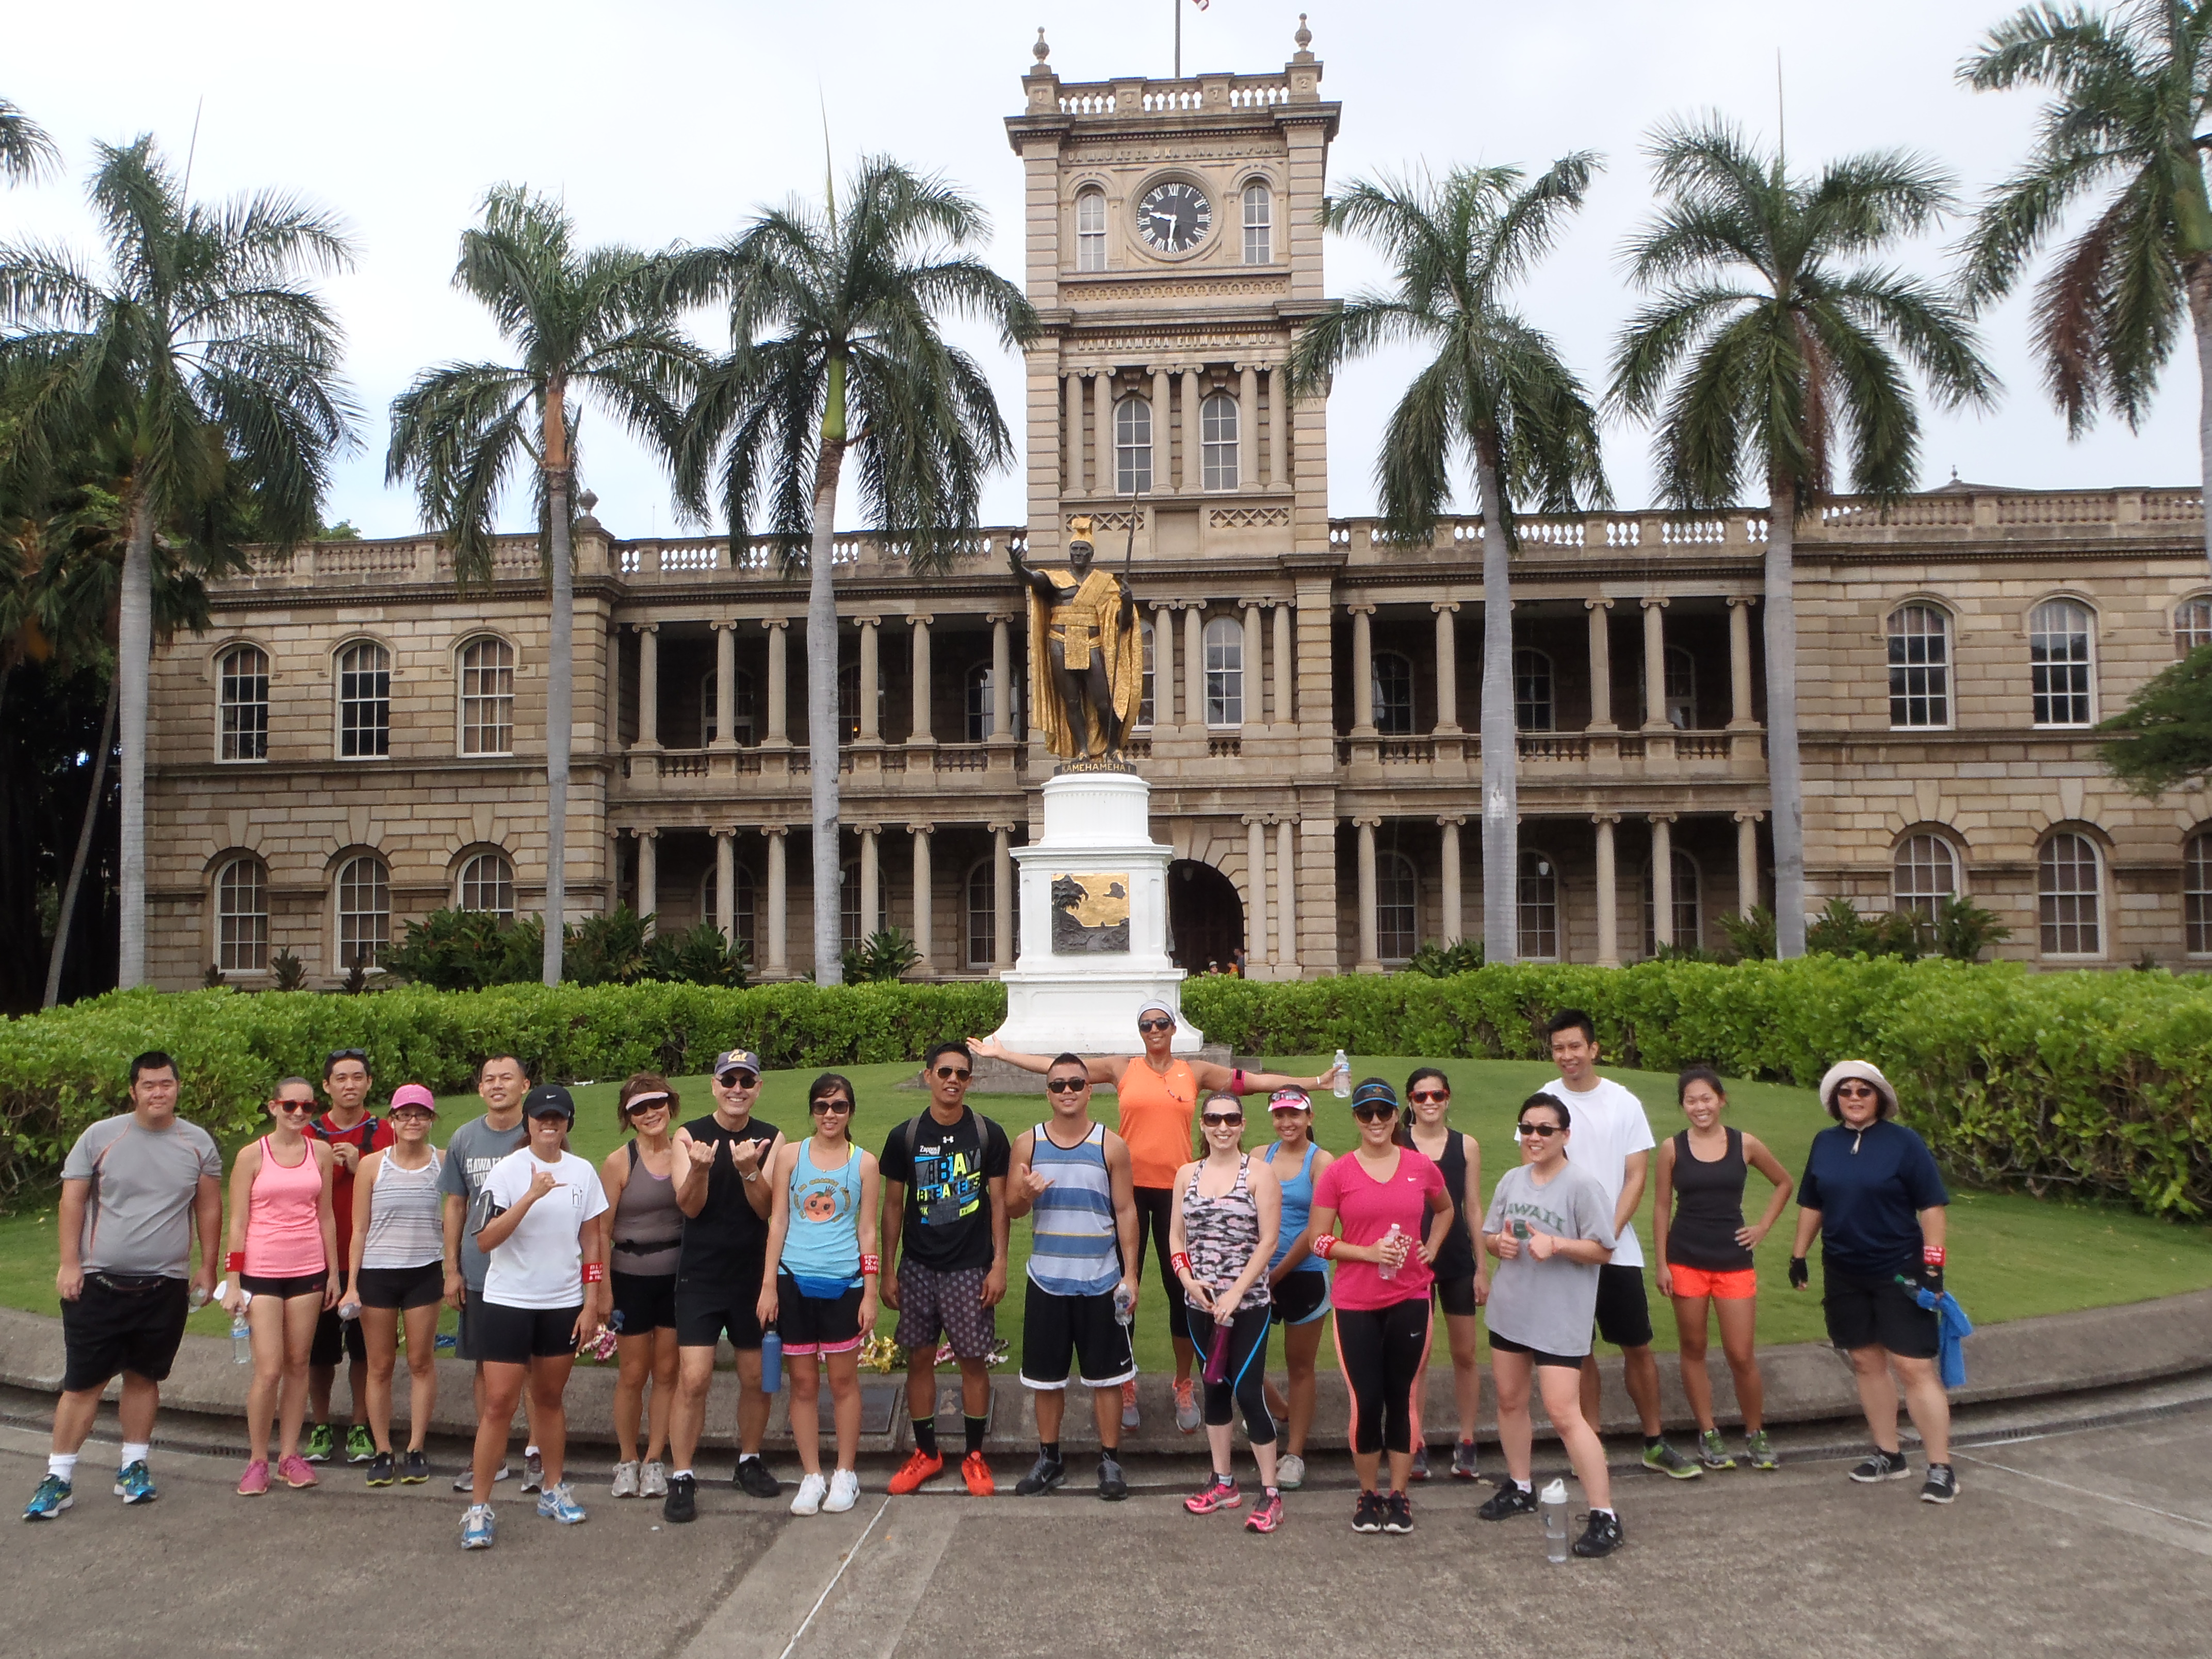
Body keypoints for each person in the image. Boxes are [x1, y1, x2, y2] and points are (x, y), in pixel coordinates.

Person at [972, 1007, 1332, 1433]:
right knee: (1124, 1288)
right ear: (1140, 1031)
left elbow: (1250, 1083)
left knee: (1183, 1290)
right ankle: (1126, 1382)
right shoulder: (1122, 1067)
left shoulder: (1192, 1070)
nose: (1155, 1030)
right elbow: (1059, 1070)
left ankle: (1184, 1381)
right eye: (1147, 1025)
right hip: (1125, 1189)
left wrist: (1313, 1083)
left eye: (1162, 1023)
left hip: (1178, 1192)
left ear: (1173, 1029)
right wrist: (1003, 1054)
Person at [25, 1051, 222, 1521]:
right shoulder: (101, 1137)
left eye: (167, 1084)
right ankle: (59, 1477)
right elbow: (72, 1201)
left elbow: (209, 1208)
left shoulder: (197, 1143)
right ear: (133, 1090)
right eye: (149, 1085)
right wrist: (70, 1263)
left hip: (165, 1286)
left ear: (178, 1087)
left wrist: (208, 1268)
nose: (159, 1092)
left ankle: (133, 1467)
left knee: (143, 1377)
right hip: (99, 1283)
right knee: (83, 1384)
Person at [1537, 1009, 1698, 1479]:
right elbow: (1539, 1167)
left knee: (1637, 1346)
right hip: (1564, 1251)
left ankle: (1654, 1441)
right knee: (1579, 1351)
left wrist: (1605, 1232)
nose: (1567, 1056)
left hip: (1617, 1248)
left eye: (1575, 1046)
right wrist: (1571, 1238)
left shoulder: (1623, 1102)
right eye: (1558, 1048)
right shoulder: (1545, 1100)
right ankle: (1592, 1446)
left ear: (1594, 1049)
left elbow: (1637, 1175)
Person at [1790, 1060, 1958, 1504]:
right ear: (1835, 1100)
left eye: (1864, 1091)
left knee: (1914, 1366)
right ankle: (1889, 1454)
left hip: (1899, 1269)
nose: (1854, 1098)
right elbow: (1812, 1202)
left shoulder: (1904, 1144)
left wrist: (1934, 1266)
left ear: (1879, 1097)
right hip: (1844, 1268)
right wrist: (1798, 1255)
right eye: (1846, 1092)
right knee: (1865, 1360)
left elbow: (1933, 1207)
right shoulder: (1825, 1144)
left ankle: (1941, 1466)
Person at [460, 1083, 609, 1549]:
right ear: (528, 1122)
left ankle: (552, 1488)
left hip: (562, 1302)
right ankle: (479, 1508)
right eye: (541, 1117)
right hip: (509, 1301)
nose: (550, 1124)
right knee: (499, 1403)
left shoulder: (583, 1172)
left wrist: (591, 1302)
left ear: (568, 1123)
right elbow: (484, 1240)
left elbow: (592, 1243)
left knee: (549, 1398)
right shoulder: (507, 1172)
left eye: (558, 1118)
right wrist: (528, 1197)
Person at [1476, 1094, 1625, 1558]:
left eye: (1545, 1129)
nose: (1535, 1138)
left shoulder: (1582, 1185)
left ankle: (1605, 1514)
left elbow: (1604, 1249)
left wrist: (1558, 1245)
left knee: (1564, 1414)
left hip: (1560, 1316)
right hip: (1512, 1309)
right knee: (1509, 1400)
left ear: (1565, 1135)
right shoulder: (1511, 1179)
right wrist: (1496, 1245)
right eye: (1528, 1128)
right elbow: (1488, 1234)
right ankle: (1521, 1486)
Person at [1307, 1078, 1453, 1536]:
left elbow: (1446, 1209)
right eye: (1366, 1113)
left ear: (1396, 1116)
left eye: (1383, 1113)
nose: (1375, 1121)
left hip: (1410, 1296)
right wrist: (1368, 1253)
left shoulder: (1419, 1166)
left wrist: (1431, 1245)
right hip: (1356, 1301)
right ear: (1355, 1118)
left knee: (1402, 1396)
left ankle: (1400, 1495)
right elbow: (1319, 1240)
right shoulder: (1339, 1173)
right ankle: (1368, 1494)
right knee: (1367, 1401)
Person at [1004, 1055, 1142, 1501]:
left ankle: (1110, 1461)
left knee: (1107, 1378)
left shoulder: (1111, 1146)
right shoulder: (1027, 1144)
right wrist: (1024, 1195)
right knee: (1046, 1379)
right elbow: (1011, 1208)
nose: (1067, 1091)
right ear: (1048, 1092)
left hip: (1101, 1280)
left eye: (1076, 1084)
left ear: (1089, 1090)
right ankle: (1050, 1458)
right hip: (1047, 1278)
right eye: (1058, 1084)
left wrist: (1132, 1275)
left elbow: (1125, 1212)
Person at [881, 1040, 1011, 1496]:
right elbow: (893, 1207)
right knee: (919, 1359)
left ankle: (975, 1456)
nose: (952, 1080)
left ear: (970, 1080)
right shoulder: (906, 1135)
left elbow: (999, 1203)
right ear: (928, 1076)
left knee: (973, 1361)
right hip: (918, 1264)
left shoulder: (987, 1132)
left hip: (969, 1266)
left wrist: (999, 1264)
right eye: (944, 1072)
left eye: (961, 1073)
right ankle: (927, 1452)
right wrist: (888, 1271)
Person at [664, 1049, 786, 1523]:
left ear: (758, 1088)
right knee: (693, 1378)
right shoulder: (689, 1135)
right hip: (701, 1274)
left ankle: (748, 1460)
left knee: (756, 1378)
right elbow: (688, 1207)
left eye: (746, 1081)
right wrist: (698, 1168)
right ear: (715, 1085)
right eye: (729, 1080)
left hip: (753, 1276)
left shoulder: (772, 1138)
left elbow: (767, 1209)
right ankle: (682, 1476)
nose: (737, 1089)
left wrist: (749, 1170)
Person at [1652, 1066, 1793, 1472]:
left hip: (1733, 1260)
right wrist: (1662, 1263)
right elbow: (1662, 1206)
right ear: (1683, 1106)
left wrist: (1763, 1227)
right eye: (1691, 1100)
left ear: (1722, 1099)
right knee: (1693, 1348)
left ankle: (1755, 1432)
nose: (1700, 1107)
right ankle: (1709, 1432)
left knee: (1740, 1353)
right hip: (1686, 1258)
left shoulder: (1744, 1143)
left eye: (1707, 1098)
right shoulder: (1672, 1149)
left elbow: (1784, 1182)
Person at [758, 1072, 882, 1517]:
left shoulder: (864, 1163)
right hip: (793, 1279)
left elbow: (868, 1231)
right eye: (822, 1106)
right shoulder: (790, 1156)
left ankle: (845, 1473)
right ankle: (812, 1475)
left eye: (839, 1106)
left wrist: (870, 1292)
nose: (830, 1115)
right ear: (812, 1110)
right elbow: (778, 1222)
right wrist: (769, 1284)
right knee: (804, 1383)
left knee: (843, 1382)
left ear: (851, 1111)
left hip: (843, 1282)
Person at [1170, 1089, 1286, 1532]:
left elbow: (1269, 1241)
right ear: (1202, 1124)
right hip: (1200, 1302)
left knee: (1248, 1390)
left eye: (1231, 1120)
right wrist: (1186, 1280)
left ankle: (1270, 1491)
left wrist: (1238, 1291)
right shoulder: (1187, 1174)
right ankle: (1224, 1482)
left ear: (1242, 1125)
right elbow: (1176, 1239)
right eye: (1214, 1119)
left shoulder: (1259, 1175)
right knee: (1213, 1388)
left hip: (1248, 1304)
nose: (1222, 1128)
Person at [223, 1077, 341, 1494]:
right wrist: (233, 1281)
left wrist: (334, 1273)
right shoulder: (252, 1155)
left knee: (298, 1363)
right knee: (269, 1368)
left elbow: (325, 1215)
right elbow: (238, 1221)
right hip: (261, 1270)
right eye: (290, 1105)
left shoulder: (321, 1153)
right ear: (273, 1107)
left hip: (308, 1268)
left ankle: (290, 1455)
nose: (298, 1114)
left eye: (307, 1108)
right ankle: (258, 1459)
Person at [438, 1052, 539, 1493]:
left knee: (534, 1365)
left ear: (525, 1085)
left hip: (531, 1272)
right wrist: (451, 1269)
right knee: (486, 1365)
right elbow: (456, 1205)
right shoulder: (464, 1138)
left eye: (507, 1078)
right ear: (480, 1088)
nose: (498, 1085)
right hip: (480, 1273)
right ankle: (491, 1455)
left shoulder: (538, 1133)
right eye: (489, 1079)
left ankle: (538, 1453)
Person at [346, 1082, 446, 1486]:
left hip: (424, 1270)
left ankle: (417, 1447)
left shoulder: (443, 1161)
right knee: (380, 1365)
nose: (412, 1122)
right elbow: (359, 1229)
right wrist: (352, 1284)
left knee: (421, 1361)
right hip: (378, 1273)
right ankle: (384, 1449)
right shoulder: (372, 1165)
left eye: (420, 1115)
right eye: (404, 1115)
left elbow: (456, 1215)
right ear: (392, 1120)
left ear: (431, 1120)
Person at [304, 1048, 393, 1467]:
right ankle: (320, 1423)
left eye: (358, 1077)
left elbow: (401, 1191)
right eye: (340, 1078)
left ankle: (360, 1424)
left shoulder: (386, 1133)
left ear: (369, 1083)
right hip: (316, 1259)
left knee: (366, 1352)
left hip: (370, 1260)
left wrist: (362, 1168)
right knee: (319, 1353)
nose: (350, 1085)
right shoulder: (308, 1133)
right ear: (327, 1086)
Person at [599, 1073, 683, 1500]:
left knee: (668, 1371)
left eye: (657, 1104)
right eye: (639, 1109)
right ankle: (627, 1458)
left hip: (676, 1276)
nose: (651, 1114)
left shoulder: (685, 1153)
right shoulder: (620, 1162)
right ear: (629, 1117)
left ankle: (655, 1459)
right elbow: (600, 1230)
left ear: (670, 1105)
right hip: (629, 1275)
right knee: (633, 1373)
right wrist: (600, 1289)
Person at [1401, 1066, 1487, 1482]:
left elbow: (1472, 1207)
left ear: (1448, 1098)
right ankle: (1415, 1440)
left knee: (1465, 1354)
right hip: (1410, 1262)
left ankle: (1467, 1438)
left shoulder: (1466, 1145)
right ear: (1411, 1102)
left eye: (1437, 1095)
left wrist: (1482, 1268)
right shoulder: (1397, 1143)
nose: (1430, 1103)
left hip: (1455, 1262)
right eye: (1421, 1097)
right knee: (1415, 1358)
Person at [1258, 1087, 1333, 1491]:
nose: (1287, 1123)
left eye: (1295, 1115)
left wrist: (1275, 1274)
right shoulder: (1259, 1156)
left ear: (1309, 1116)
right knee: (1240, 1357)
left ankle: (1295, 1454)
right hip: (1259, 1274)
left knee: (1300, 1365)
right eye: (1280, 1115)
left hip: (1303, 1272)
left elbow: (1317, 1229)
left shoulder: (1322, 1162)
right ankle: (1280, 1409)